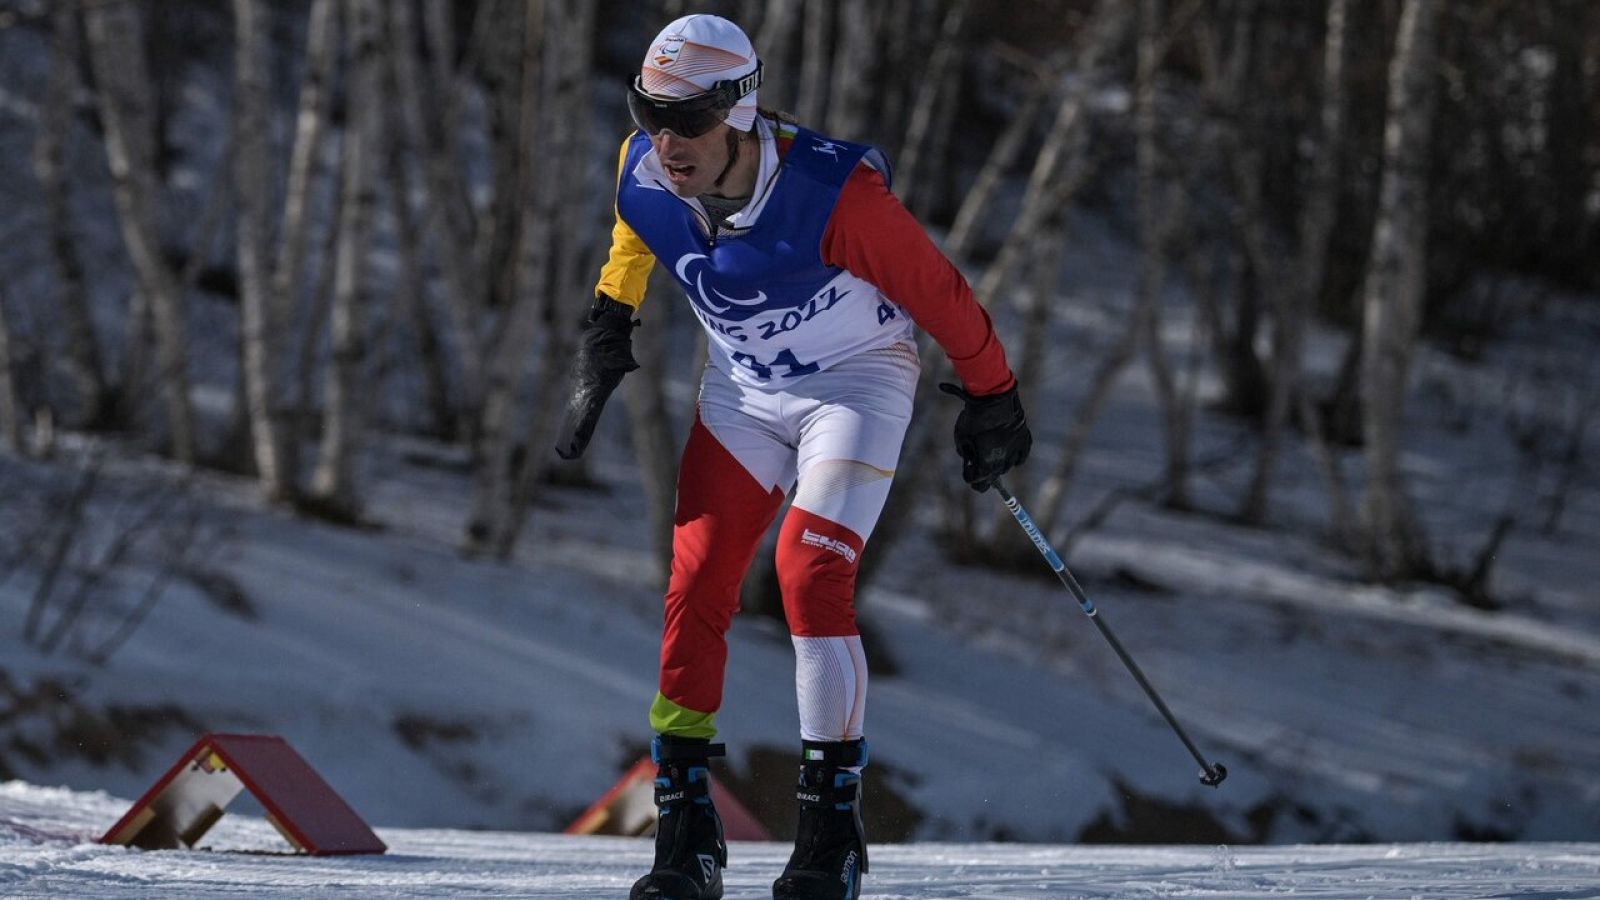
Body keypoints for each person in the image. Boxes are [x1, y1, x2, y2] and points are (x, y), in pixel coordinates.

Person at [554, 14, 1031, 900]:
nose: (668, 139)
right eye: (648, 111)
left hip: (854, 384)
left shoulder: (833, 196)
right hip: (745, 391)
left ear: (741, 110)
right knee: (695, 582)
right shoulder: (645, 166)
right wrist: (608, 322)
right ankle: (686, 831)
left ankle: (829, 835)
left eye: (690, 118)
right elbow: (632, 231)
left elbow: (942, 292)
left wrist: (993, 396)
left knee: (809, 573)